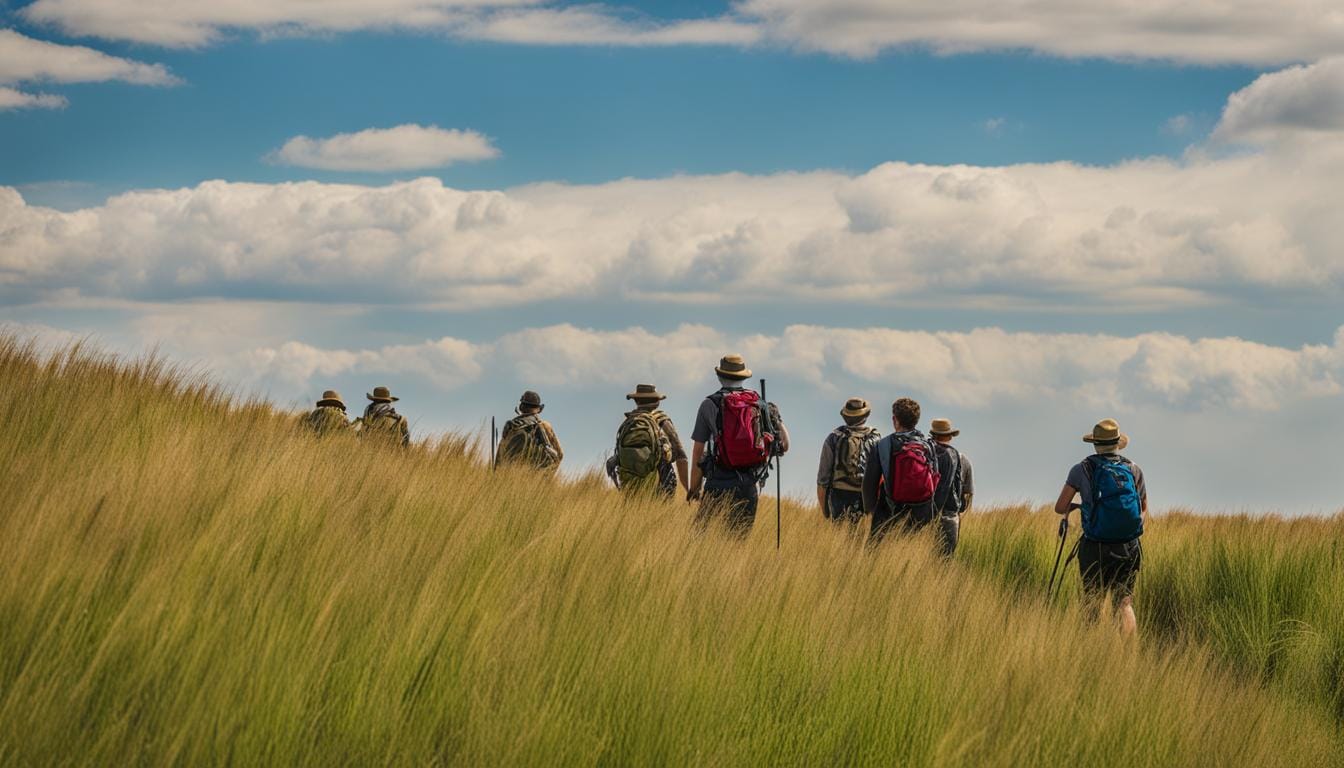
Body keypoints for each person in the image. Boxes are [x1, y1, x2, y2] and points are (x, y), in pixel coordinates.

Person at [1053, 418, 1147, 637]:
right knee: (1123, 604)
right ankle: (1129, 656)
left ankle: (1094, 652)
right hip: (1129, 545)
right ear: (1117, 442)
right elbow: (1143, 509)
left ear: (1095, 444)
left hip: (1095, 545)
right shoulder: (1134, 469)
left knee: (1092, 600)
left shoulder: (1081, 469)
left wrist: (1080, 506)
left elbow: (1060, 507)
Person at [687, 354, 789, 535]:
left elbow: (698, 450)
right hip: (748, 485)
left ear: (719, 376)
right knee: (737, 546)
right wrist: (775, 416)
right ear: (743, 377)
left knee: (700, 543)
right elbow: (785, 445)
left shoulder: (709, 404)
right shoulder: (759, 403)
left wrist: (694, 489)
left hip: (716, 483)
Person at [862, 397, 938, 544]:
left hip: (890, 510)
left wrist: (870, 510)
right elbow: (935, 480)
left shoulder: (882, 445)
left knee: (874, 556)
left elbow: (869, 484)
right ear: (916, 420)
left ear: (894, 419)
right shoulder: (928, 446)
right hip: (922, 513)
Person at [606, 384, 689, 496]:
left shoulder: (629, 422)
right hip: (659, 483)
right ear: (657, 401)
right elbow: (681, 454)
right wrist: (688, 489)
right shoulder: (661, 420)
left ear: (636, 400)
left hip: (630, 485)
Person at [816, 397, 880, 525]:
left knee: (838, 537)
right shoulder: (875, 438)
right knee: (859, 538)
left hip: (838, 495)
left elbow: (822, 480)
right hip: (865, 495)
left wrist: (825, 511)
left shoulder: (834, 437)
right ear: (866, 415)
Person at [929, 418, 973, 556]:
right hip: (949, 516)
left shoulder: (924, 454)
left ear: (933, 435)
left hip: (924, 513)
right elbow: (968, 494)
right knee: (944, 561)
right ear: (950, 436)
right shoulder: (962, 459)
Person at [497, 390, 563, 471]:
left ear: (521, 407)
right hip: (534, 477)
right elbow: (559, 455)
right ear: (539, 409)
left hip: (506, 474)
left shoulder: (511, 426)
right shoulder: (545, 426)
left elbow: (500, 457)